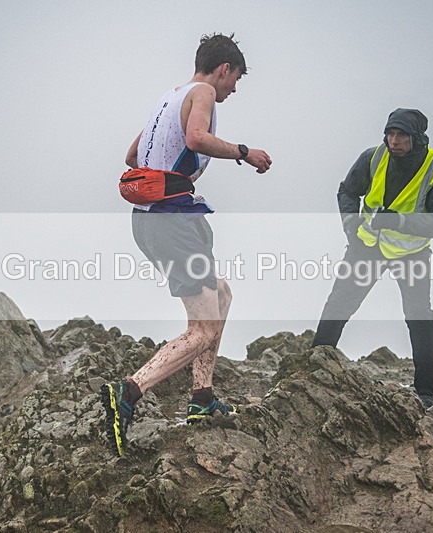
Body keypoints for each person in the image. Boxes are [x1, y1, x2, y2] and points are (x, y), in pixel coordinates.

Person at [102, 33, 272, 457]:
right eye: (236, 79)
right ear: (223, 69)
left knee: (221, 293)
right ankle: (127, 392)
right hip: (172, 221)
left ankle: (201, 397)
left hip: (155, 218)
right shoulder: (202, 94)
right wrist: (244, 152)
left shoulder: (169, 97)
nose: (234, 89)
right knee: (202, 330)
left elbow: (131, 156)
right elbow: (196, 139)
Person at [312, 108, 433, 411]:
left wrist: (400, 222)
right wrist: (351, 227)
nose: (395, 141)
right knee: (339, 303)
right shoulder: (373, 157)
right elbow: (347, 191)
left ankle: (426, 393)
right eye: (391, 134)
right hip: (366, 245)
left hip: (411, 252)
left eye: (402, 135)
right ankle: (314, 368)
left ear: (417, 138)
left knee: (418, 314)